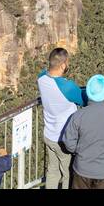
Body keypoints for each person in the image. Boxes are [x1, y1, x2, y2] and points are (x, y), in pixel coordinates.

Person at [59, 74, 104, 189]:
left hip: (81, 170)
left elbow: (68, 142)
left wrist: (78, 150)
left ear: (88, 92)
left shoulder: (78, 116)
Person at [37, 47, 86, 189]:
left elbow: (46, 73)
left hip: (49, 135)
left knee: (52, 171)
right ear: (63, 65)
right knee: (68, 174)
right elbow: (84, 100)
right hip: (63, 139)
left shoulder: (41, 79)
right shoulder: (67, 87)